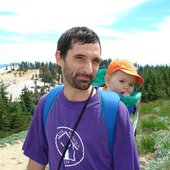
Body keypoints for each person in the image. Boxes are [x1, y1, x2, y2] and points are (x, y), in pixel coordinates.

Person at [22, 26, 140, 170]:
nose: (89, 69)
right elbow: (36, 160)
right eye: (80, 58)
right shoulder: (47, 103)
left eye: (95, 61)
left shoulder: (114, 110)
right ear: (59, 58)